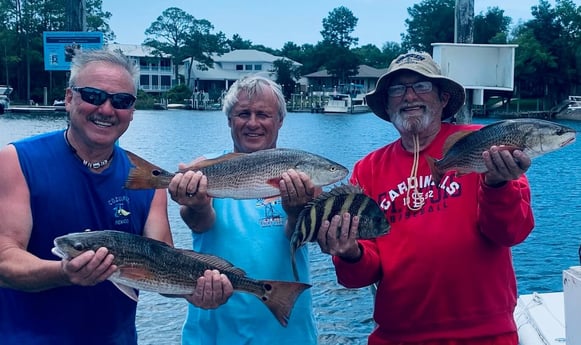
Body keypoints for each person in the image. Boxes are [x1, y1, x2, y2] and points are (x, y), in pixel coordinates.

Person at [0, 49, 217, 345]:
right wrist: (63, 272)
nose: (106, 109)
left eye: (121, 101)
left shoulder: (148, 180)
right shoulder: (16, 160)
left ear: (131, 111)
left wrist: (198, 289)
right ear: (68, 98)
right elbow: (5, 259)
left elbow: (163, 267)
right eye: (93, 95)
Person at [316, 52, 535, 345]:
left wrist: (497, 185)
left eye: (421, 86)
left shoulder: (487, 145)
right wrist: (348, 253)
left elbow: (512, 232)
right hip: (398, 337)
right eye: (397, 89)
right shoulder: (368, 169)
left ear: (443, 98)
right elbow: (358, 277)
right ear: (386, 103)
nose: (408, 97)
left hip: (485, 335)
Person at [167, 75, 319, 345]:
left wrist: (296, 211)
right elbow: (198, 222)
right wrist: (197, 203)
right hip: (214, 334)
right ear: (228, 120)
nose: (252, 123)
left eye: (263, 114)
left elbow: (302, 236)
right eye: (243, 114)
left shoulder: (303, 177)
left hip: (287, 335)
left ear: (280, 121)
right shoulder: (204, 170)